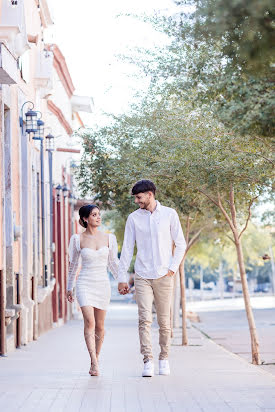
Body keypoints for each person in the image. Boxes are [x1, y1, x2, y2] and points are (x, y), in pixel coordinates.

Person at [117, 180, 186, 377]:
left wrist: (172, 269)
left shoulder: (170, 214)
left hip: (164, 275)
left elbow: (180, 244)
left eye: (139, 197)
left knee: (164, 321)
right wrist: (122, 278)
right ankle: (148, 360)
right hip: (142, 275)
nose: (137, 201)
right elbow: (128, 249)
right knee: (144, 319)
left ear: (149, 194)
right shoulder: (133, 218)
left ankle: (164, 358)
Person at [66, 204, 119, 376]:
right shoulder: (77, 239)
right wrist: (69, 287)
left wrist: (122, 281)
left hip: (102, 284)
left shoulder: (109, 239)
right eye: (94, 215)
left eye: (99, 214)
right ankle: (94, 362)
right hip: (84, 284)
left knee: (100, 326)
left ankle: (95, 358)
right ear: (85, 219)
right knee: (90, 322)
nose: (98, 217)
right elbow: (73, 265)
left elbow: (113, 264)